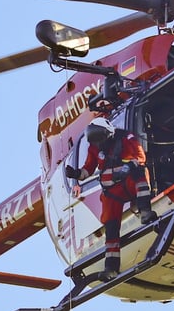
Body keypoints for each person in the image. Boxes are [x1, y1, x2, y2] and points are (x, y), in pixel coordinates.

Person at [65, 117, 156, 281]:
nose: (99, 143)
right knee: (111, 227)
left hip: (129, 181)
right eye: (95, 140)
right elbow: (88, 169)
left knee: (140, 174)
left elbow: (140, 157)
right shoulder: (94, 148)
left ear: (109, 133)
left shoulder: (126, 137)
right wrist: (76, 174)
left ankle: (145, 212)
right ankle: (111, 267)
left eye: (100, 138)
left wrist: (128, 167)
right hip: (112, 191)